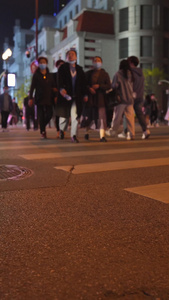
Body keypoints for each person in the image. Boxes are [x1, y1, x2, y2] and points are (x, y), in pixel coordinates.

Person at [56, 49, 88, 143]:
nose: (70, 56)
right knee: (64, 116)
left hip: (76, 96)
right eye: (69, 54)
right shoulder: (62, 68)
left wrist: (85, 94)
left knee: (75, 116)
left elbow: (83, 83)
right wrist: (61, 89)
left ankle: (73, 135)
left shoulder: (80, 69)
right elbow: (59, 80)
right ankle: (62, 130)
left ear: (76, 57)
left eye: (73, 54)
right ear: (66, 57)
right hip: (65, 96)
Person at [83, 56, 111, 142]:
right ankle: (87, 132)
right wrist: (89, 89)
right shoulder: (88, 73)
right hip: (90, 98)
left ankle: (102, 136)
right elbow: (83, 85)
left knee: (101, 117)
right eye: (95, 60)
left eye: (98, 60)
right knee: (89, 116)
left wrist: (99, 86)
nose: (96, 62)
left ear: (101, 63)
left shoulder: (105, 74)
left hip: (100, 98)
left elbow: (108, 86)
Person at [106, 59, 135, 140]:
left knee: (117, 117)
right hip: (130, 100)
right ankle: (131, 134)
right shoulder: (131, 74)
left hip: (121, 99)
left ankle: (112, 131)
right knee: (130, 118)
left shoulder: (118, 74)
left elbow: (114, 86)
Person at [29, 56, 56, 139]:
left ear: (46, 64)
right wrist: (30, 98)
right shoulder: (36, 75)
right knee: (41, 115)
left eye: (44, 62)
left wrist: (55, 96)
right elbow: (32, 87)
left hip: (49, 97)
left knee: (49, 114)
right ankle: (43, 131)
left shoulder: (50, 75)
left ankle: (42, 125)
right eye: (41, 62)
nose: (42, 64)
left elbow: (54, 86)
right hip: (39, 98)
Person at [128, 56, 150, 139]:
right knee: (140, 114)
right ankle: (145, 130)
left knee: (128, 114)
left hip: (131, 96)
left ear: (131, 63)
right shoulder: (141, 73)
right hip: (140, 96)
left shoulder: (130, 72)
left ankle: (128, 132)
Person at [53, 59, 65, 138]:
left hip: (65, 98)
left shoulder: (67, 76)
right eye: (59, 65)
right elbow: (53, 88)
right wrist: (55, 96)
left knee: (64, 115)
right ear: (56, 66)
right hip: (57, 97)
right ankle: (58, 130)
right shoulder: (54, 76)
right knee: (57, 115)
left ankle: (62, 130)